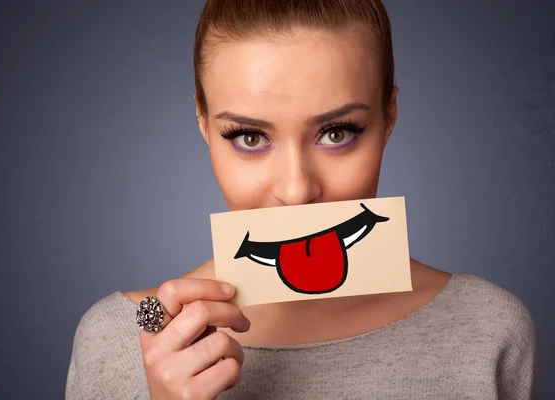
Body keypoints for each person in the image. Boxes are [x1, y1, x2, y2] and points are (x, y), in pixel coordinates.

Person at [65, 0, 541, 398]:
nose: (296, 191)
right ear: (203, 124)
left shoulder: (489, 330)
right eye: (249, 137)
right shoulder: (120, 341)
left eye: (337, 132)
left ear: (390, 114)